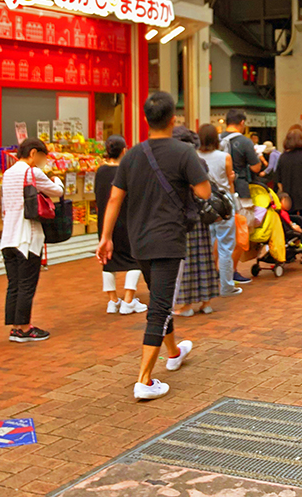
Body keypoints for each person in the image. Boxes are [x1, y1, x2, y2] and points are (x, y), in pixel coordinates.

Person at [97, 91, 211, 401]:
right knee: (160, 307)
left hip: (139, 240)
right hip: (169, 239)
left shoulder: (132, 155)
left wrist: (105, 237)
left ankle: (174, 352)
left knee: (160, 297)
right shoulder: (184, 153)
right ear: (173, 119)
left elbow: (115, 198)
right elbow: (203, 192)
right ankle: (144, 380)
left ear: (146, 120)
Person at [0, 137, 64, 342]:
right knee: (28, 283)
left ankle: (15, 327)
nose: (42, 161)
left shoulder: (8, 174)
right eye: (42, 156)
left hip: (8, 237)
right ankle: (25, 329)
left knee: (14, 283)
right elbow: (57, 192)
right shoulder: (32, 172)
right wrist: (56, 180)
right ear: (34, 153)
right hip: (26, 237)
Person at [95, 135, 147, 315]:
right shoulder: (126, 171)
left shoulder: (100, 171)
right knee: (134, 259)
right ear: (124, 150)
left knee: (107, 259)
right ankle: (128, 299)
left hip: (104, 221)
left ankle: (112, 301)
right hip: (126, 220)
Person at [173, 125, 221, 317]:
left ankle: (185, 305)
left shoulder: (177, 161)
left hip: (184, 216)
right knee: (204, 257)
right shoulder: (199, 161)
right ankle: (206, 301)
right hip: (201, 215)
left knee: (186, 260)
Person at [197, 124, 247, 297]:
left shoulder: (194, 156)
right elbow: (229, 181)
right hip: (224, 204)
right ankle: (226, 286)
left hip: (204, 204)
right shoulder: (225, 157)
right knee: (225, 246)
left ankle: (207, 285)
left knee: (206, 246)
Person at [220, 109, 263, 207]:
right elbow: (256, 168)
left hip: (220, 188)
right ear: (242, 122)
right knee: (244, 219)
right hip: (240, 188)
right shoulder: (245, 142)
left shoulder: (217, 139)